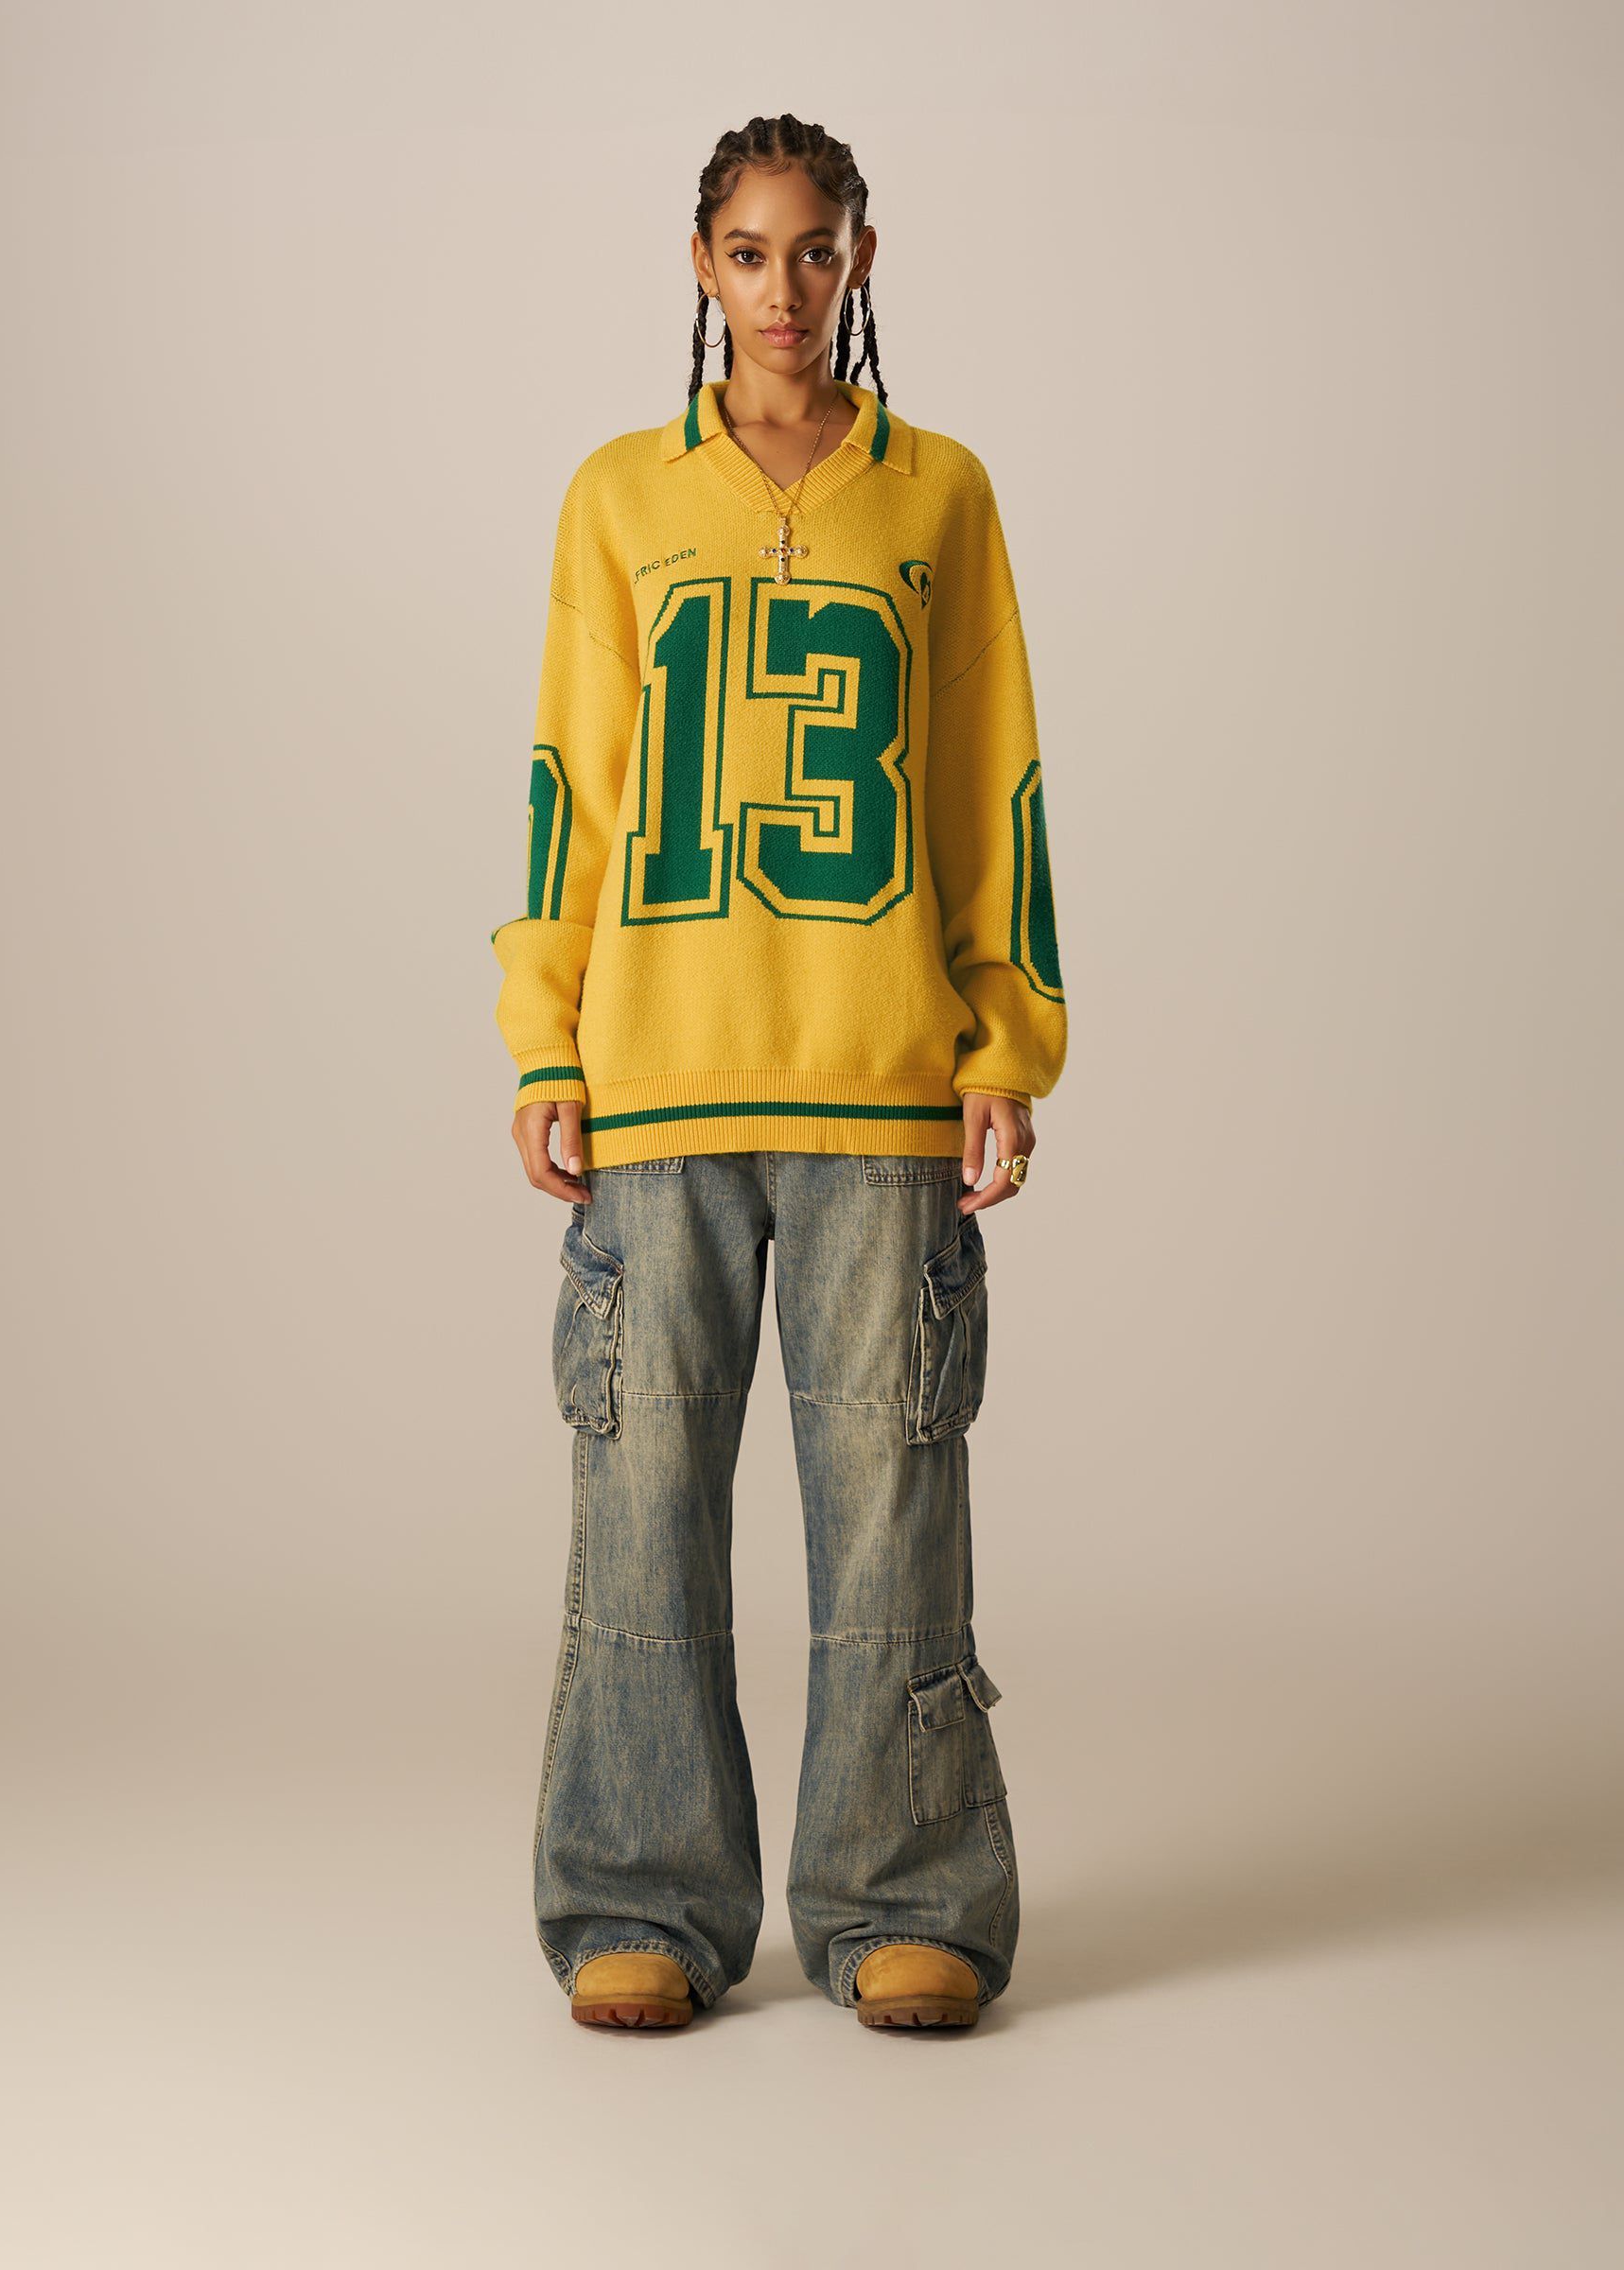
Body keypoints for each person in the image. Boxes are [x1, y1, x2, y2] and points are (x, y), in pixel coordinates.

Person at [491, 114, 1068, 2034]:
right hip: (655, 1086)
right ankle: (641, 1897)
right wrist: (545, 1037)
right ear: (701, 265)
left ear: (861, 258)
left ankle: (903, 1894)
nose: (784, 288)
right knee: (642, 1505)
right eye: (750, 252)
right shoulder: (618, 497)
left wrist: (1005, 1041)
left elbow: (990, 781)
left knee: (892, 1500)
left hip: (881, 1085)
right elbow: (572, 780)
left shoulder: (942, 494)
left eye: (815, 250)